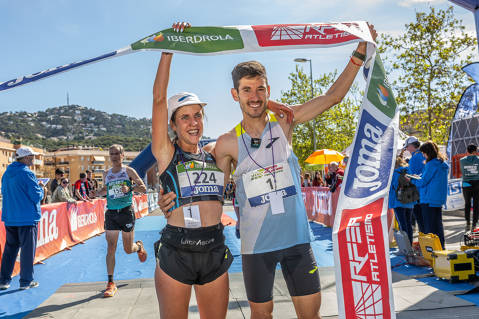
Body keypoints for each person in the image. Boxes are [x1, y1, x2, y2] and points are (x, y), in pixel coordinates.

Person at [211, 24, 377, 319]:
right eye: (246, 90)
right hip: (256, 245)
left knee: (310, 316)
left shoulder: (285, 121)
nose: (254, 96)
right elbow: (209, 192)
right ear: (235, 95)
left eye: (260, 89)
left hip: (297, 241)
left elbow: (332, 98)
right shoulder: (225, 143)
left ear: (268, 90)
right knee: (261, 316)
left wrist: (358, 55)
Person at [150, 39, 235, 318]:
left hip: (213, 249)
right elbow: (160, 100)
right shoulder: (166, 153)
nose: (193, 122)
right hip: (177, 251)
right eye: (184, 117)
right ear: (172, 125)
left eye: (197, 115)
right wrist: (168, 51)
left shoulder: (214, 153)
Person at [95, 144, 147, 297]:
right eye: (112, 154)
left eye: (117, 153)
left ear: (122, 155)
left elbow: (143, 188)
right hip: (111, 213)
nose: (114, 156)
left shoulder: (128, 171)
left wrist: (130, 188)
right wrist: (97, 192)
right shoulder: (106, 174)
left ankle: (138, 246)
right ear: (109, 157)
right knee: (111, 247)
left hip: (126, 212)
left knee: (127, 249)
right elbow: (105, 190)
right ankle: (110, 282)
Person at [0, 146, 47, 290]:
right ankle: (26, 281)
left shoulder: (6, 174)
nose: (34, 159)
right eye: (32, 157)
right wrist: (41, 189)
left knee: (10, 250)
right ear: (26, 158)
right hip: (27, 219)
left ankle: (3, 281)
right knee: (27, 251)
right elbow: (36, 196)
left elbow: (4, 192)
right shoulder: (28, 174)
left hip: (10, 218)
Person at [410, 141, 449, 249]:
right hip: (437, 199)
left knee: (430, 229)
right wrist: (417, 177)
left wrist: (412, 179)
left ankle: (432, 252)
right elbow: (427, 178)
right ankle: (441, 248)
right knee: (438, 226)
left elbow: (423, 182)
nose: (423, 155)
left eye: (423, 153)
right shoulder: (442, 163)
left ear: (427, 152)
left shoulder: (431, 164)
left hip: (428, 199)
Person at [389, 156, 415, 244]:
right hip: (409, 201)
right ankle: (410, 244)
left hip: (398, 202)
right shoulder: (408, 171)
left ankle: (406, 247)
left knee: (402, 225)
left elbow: (393, 187)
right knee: (408, 224)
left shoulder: (393, 173)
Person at [404, 136, 426, 233]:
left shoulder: (414, 158)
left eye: (407, 146)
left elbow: (411, 176)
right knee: (424, 219)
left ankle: (425, 241)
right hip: (424, 191)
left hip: (417, 192)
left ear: (412, 146)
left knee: (420, 219)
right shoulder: (423, 155)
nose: (407, 149)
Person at [460, 144, 479, 232]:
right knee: (476, 205)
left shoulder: (462, 160)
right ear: (475, 151)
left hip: (466, 184)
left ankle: (467, 222)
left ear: (467, 151)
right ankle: (474, 224)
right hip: (477, 184)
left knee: (467, 204)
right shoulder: (478, 160)